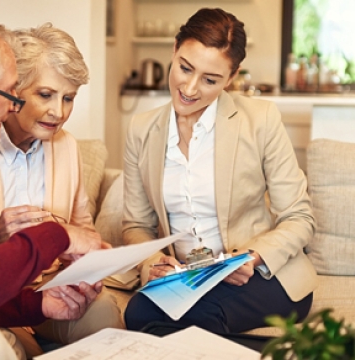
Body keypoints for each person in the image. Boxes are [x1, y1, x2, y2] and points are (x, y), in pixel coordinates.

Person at [123, 7, 318, 334]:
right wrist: (151, 262)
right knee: (138, 313)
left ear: (232, 76)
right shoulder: (141, 129)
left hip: (261, 276)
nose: (190, 88)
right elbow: (136, 225)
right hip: (187, 279)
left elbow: (300, 218)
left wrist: (252, 256)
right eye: (185, 68)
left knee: (200, 318)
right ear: (174, 49)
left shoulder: (261, 120)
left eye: (210, 79)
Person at [0, 23, 123, 357]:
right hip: (2, 294)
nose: (59, 112)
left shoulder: (66, 147)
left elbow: (83, 229)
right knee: (16, 348)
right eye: (45, 94)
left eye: (69, 98)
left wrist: (84, 272)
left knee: (106, 316)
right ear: (14, 90)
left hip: (49, 288)